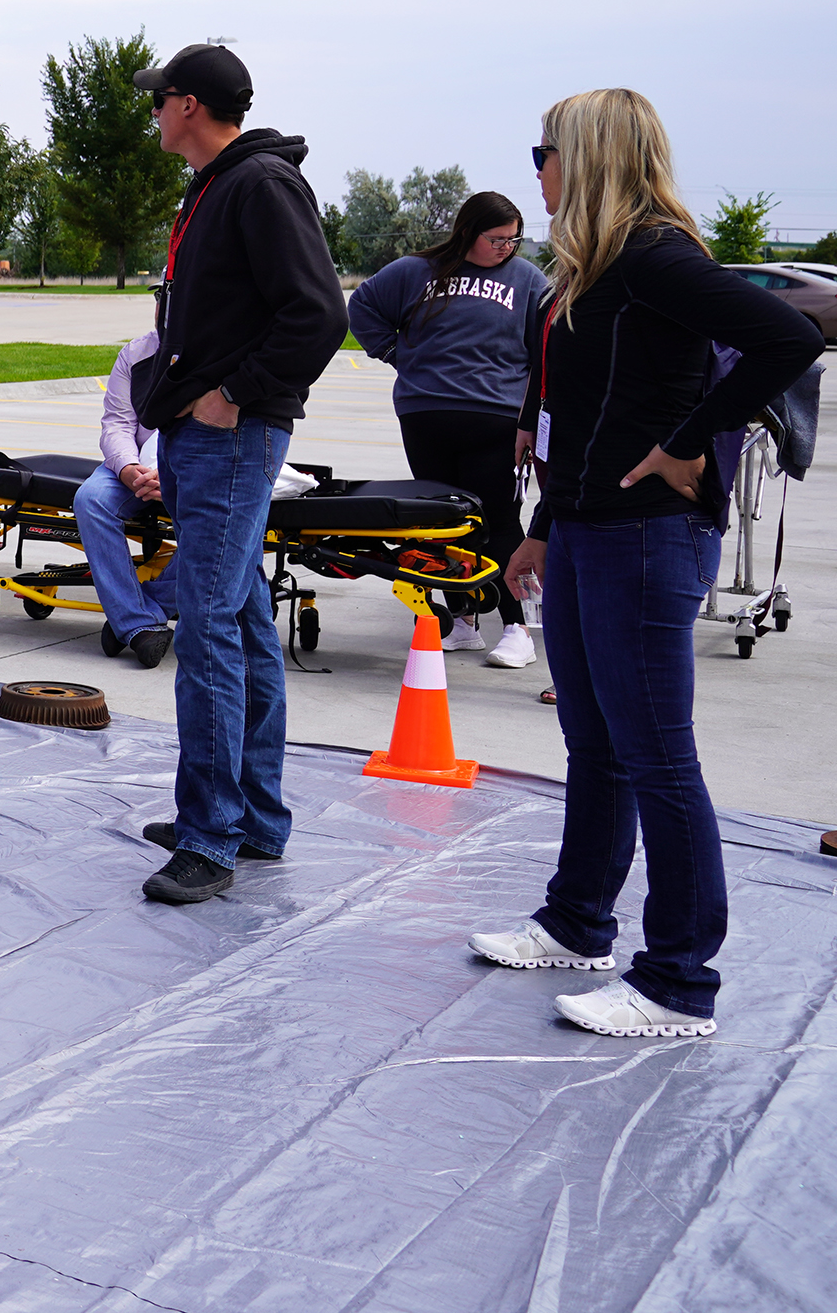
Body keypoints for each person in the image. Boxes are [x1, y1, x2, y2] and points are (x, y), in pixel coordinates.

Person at [467, 89, 816, 1038]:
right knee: (597, 743)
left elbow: (790, 334)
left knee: (658, 754)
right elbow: (582, 418)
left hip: (649, 531)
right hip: (586, 527)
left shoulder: (659, 255)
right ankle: (579, 921)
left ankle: (677, 981)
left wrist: (691, 441)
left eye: (544, 149)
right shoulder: (598, 267)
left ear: (590, 157)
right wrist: (542, 523)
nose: (533, 167)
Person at [128, 44, 346, 903]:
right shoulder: (220, 185)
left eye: (158, 101)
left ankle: (210, 837)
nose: (152, 115)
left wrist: (235, 394)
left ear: (188, 105)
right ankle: (252, 817)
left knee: (210, 629)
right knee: (245, 622)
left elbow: (320, 314)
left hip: (229, 438)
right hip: (204, 435)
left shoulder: (259, 185)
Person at [348, 191, 549, 669]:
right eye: (497, 238)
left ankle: (517, 627)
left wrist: (530, 415)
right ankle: (464, 622)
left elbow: (545, 349)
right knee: (443, 522)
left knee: (497, 520)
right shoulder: (417, 271)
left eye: (514, 239)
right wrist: (399, 355)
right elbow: (362, 308)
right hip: (426, 415)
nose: (507, 247)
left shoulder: (526, 280)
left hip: (496, 419)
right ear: (468, 232)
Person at [77, 326, 178, 668]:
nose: (166, 306)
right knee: (91, 500)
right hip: (135, 464)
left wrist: (176, 478)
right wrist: (129, 469)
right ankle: (139, 624)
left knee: (213, 517)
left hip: (191, 469)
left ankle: (138, 615)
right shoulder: (136, 354)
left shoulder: (220, 348)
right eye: (161, 297)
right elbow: (117, 423)